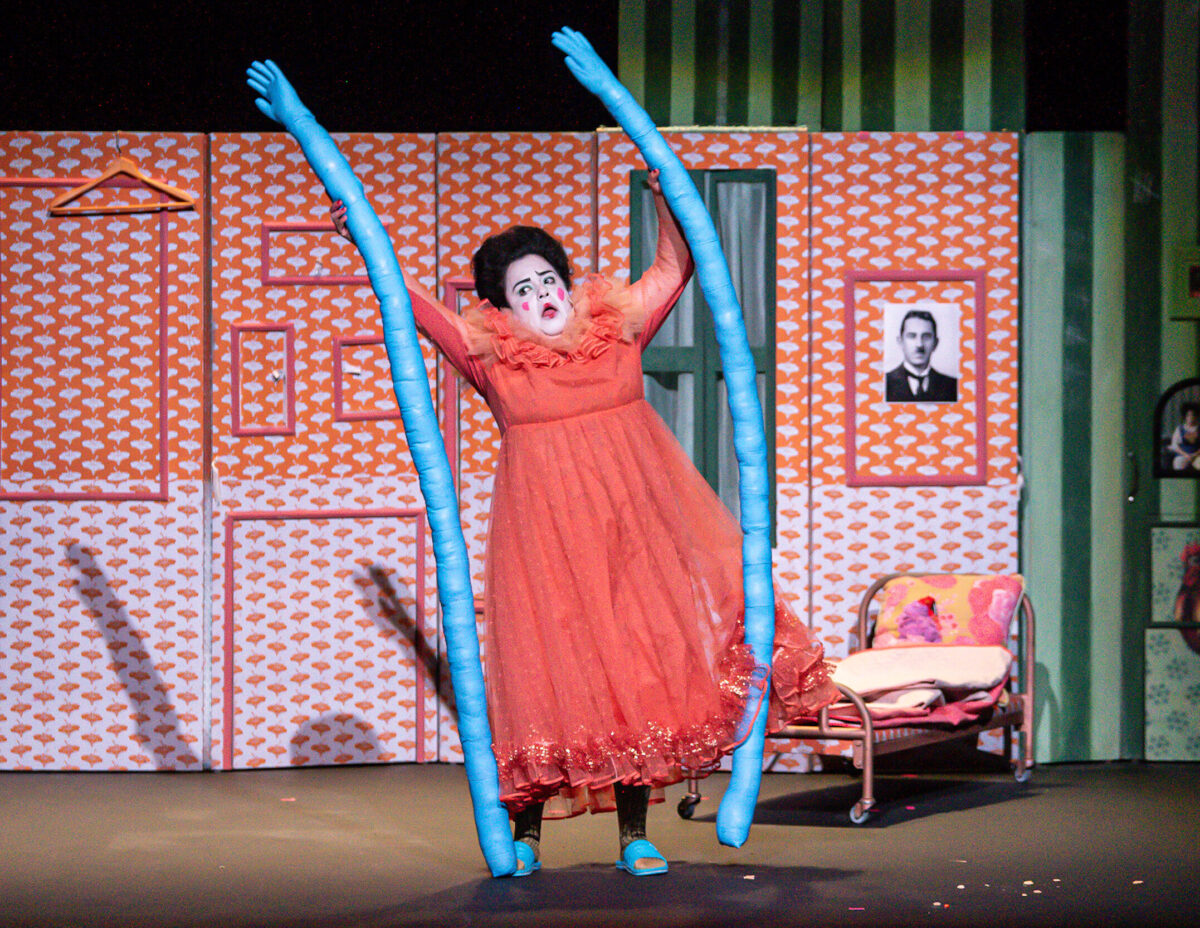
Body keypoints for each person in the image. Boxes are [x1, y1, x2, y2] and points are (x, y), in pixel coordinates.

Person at [329, 171, 836, 875]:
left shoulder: (615, 332)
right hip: (543, 543)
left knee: (636, 675)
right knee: (547, 676)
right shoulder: (494, 358)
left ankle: (634, 835)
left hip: (631, 537)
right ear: (502, 307)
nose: (541, 295)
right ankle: (527, 835)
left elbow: (672, 268)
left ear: (567, 284)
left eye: (548, 280)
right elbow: (409, 300)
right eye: (522, 289)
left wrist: (664, 198)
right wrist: (362, 237)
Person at [885, 309, 958, 403]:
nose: (919, 344)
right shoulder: (884, 383)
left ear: (935, 343)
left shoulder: (953, 386)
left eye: (926, 336)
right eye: (912, 336)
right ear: (900, 342)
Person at [1169, 402, 1200, 471]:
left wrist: (1194, 455)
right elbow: (1174, 445)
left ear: (1196, 416)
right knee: (1179, 464)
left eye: (1193, 415)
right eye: (1188, 415)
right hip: (1182, 455)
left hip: (1197, 456)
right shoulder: (1180, 429)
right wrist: (1185, 455)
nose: (1191, 418)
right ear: (1185, 417)